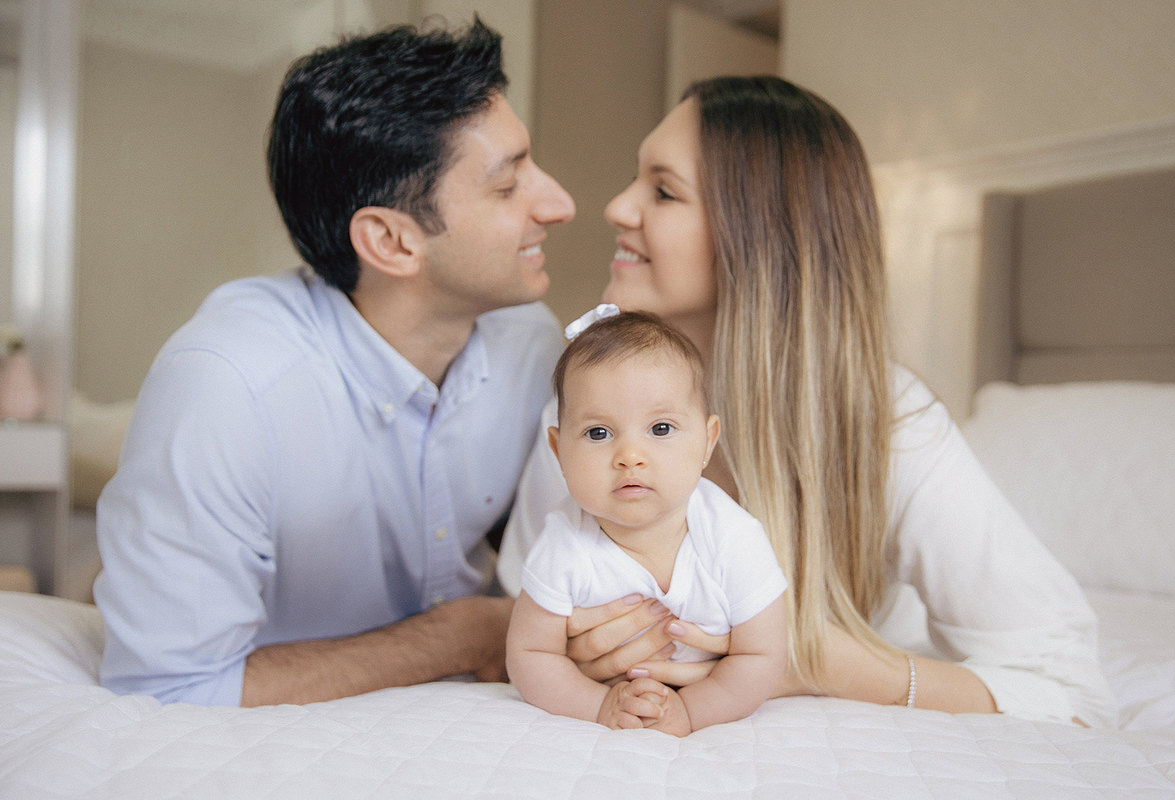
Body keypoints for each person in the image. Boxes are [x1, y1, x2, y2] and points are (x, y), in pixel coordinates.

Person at [497, 76, 1116, 727]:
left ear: (761, 234)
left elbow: (1074, 694)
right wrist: (575, 657)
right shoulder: (592, 405)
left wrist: (819, 664)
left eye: (663, 190)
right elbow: (526, 607)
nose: (618, 207)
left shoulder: (887, 421)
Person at [93, 18, 575, 706]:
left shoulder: (531, 342)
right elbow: (169, 688)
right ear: (390, 240)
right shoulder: (228, 386)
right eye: (507, 187)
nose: (560, 204)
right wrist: (460, 637)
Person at [506, 310, 787, 735]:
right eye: (599, 433)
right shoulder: (564, 543)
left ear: (707, 442)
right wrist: (599, 704)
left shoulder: (732, 537)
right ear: (558, 451)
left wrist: (692, 711)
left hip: (704, 692)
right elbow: (529, 655)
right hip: (604, 689)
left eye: (660, 428)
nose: (630, 455)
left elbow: (762, 656)